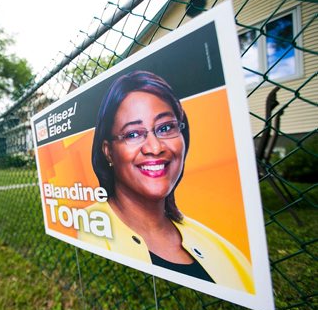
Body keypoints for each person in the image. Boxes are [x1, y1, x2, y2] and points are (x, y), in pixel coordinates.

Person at [80, 70, 254, 293]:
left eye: (165, 128)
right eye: (133, 134)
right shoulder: (86, 228)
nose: (155, 147)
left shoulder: (227, 254)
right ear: (108, 152)